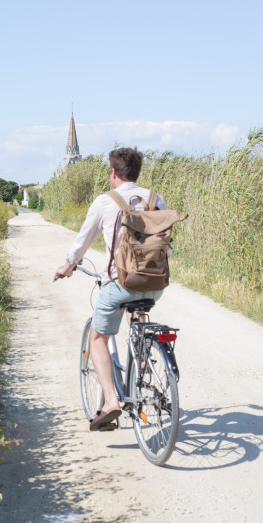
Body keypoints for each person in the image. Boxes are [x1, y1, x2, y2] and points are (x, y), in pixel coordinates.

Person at [54, 147, 167, 431]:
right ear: (137, 173)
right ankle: (142, 363)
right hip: (155, 284)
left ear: (114, 173)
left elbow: (82, 241)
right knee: (137, 313)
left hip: (119, 284)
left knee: (98, 340)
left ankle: (111, 401)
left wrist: (68, 265)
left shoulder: (106, 202)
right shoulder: (156, 199)